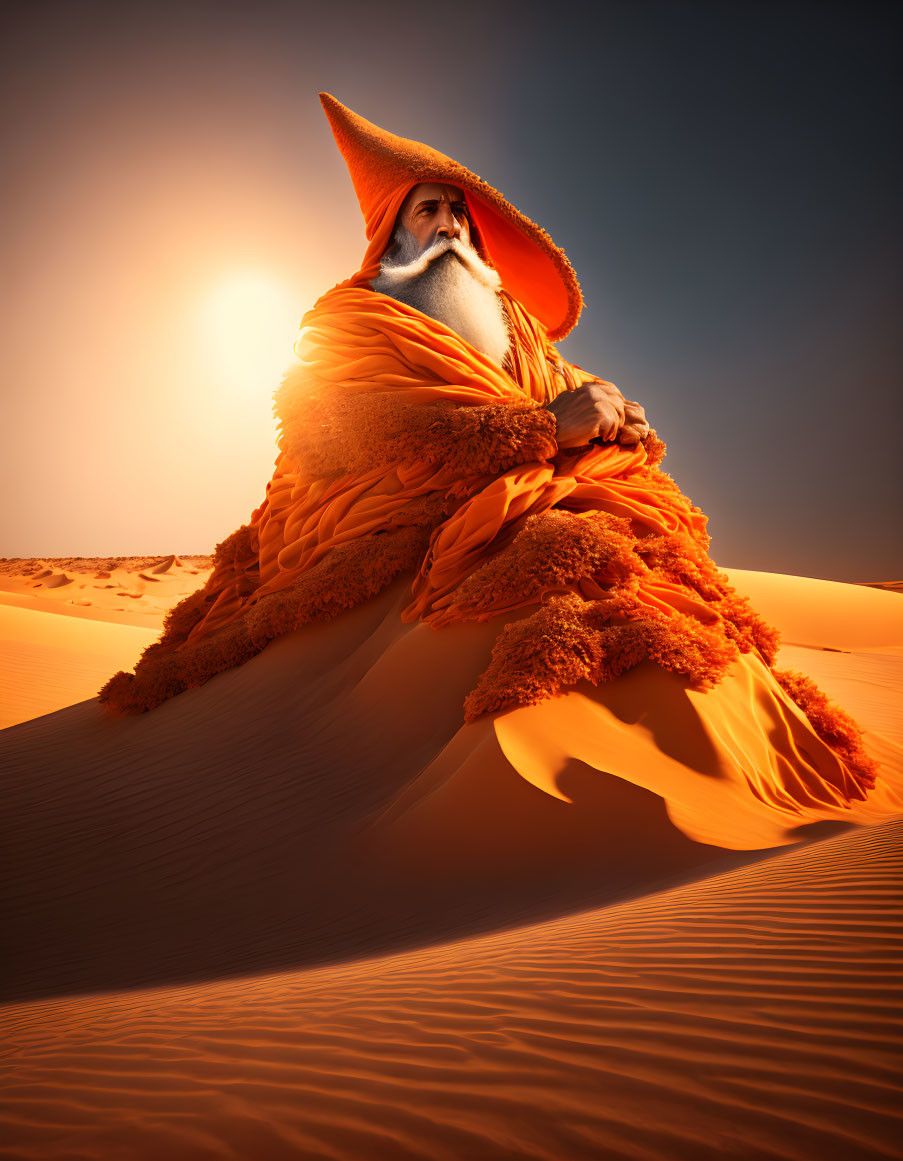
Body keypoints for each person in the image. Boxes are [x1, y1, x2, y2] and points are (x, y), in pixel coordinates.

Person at [100, 93, 888, 848]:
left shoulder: (508, 317)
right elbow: (334, 431)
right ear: (394, 232)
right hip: (391, 512)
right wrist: (542, 427)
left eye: (456, 213)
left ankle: (769, 780)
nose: (448, 227)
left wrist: (609, 412)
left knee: (641, 560)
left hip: (539, 482)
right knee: (549, 553)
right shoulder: (351, 319)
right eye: (427, 211)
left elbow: (557, 386)